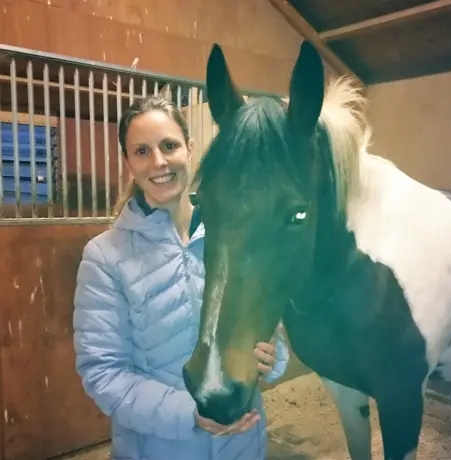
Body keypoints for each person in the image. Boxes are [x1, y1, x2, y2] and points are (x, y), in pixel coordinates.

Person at [72, 94, 290, 460]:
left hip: (242, 444)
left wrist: (273, 356)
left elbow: (265, 323)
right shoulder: (105, 257)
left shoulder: (237, 237)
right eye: (141, 151)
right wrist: (190, 414)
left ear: (189, 149)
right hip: (157, 449)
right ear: (128, 163)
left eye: (169, 145)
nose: (158, 161)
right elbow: (103, 373)